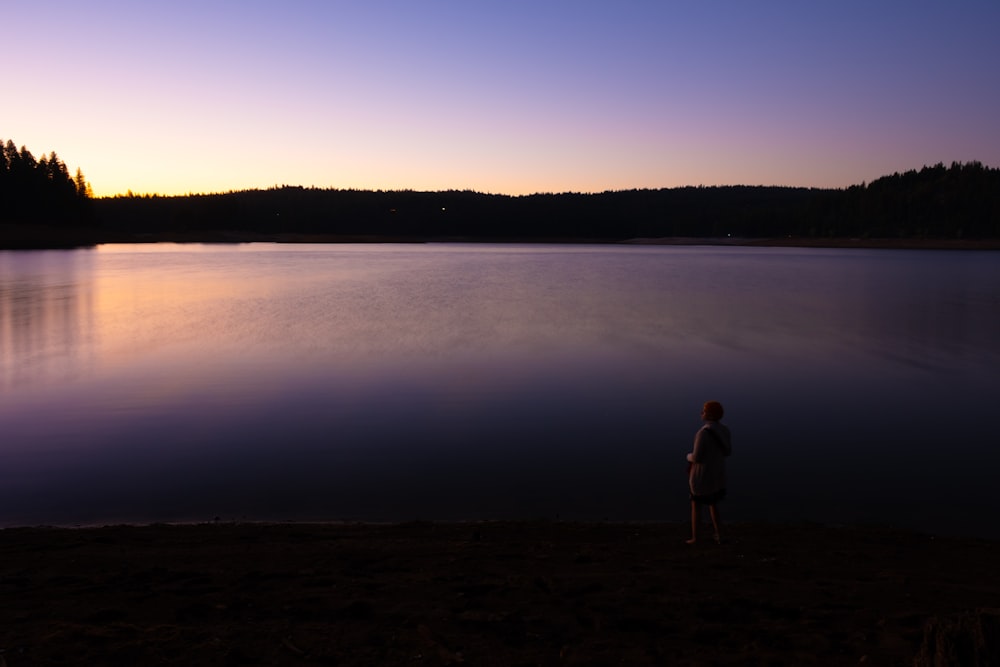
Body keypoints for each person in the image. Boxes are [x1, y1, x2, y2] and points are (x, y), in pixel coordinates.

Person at [685, 401, 732, 544]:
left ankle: (696, 537)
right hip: (717, 473)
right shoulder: (725, 430)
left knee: (696, 505)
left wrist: (688, 456)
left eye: (704, 411)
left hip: (702, 475)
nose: (701, 413)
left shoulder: (703, 433)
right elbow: (728, 451)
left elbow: (697, 457)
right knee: (713, 504)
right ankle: (720, 535)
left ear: (709, 414)